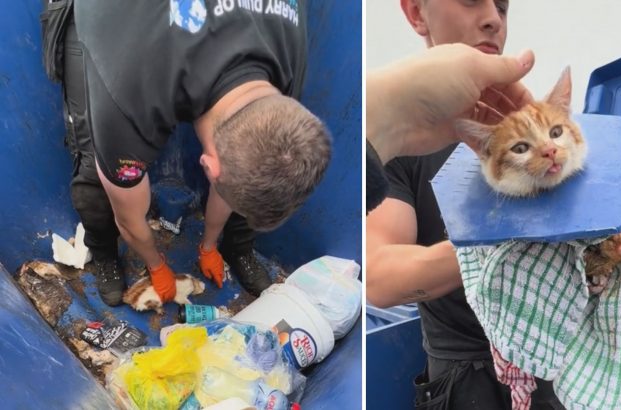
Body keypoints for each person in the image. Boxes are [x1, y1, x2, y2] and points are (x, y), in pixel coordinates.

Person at [43, 0, 331, 306]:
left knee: (260, 172)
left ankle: (236, 247)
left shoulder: (286, 56)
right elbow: (129, 217)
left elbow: (247, 167)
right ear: (207, 165)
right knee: (95, 177)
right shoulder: (127, 97)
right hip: (113, 18)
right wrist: (156, 265)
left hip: (174, 36)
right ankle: (102, 250)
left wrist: (209, 244)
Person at [366, 1, 565, 408]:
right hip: (464, 383)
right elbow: (378, 276)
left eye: (504, 6)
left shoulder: (542, 135)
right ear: (417, 13)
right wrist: (498, 241)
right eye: (472, 0)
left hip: (550, 366)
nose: (494, 17)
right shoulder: (402, 149)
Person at [366, 43, 534, 212]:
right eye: (469, 13)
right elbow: (377, 238)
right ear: (417, 17)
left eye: (503, 14)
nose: (494, 19)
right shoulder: (400, 160)